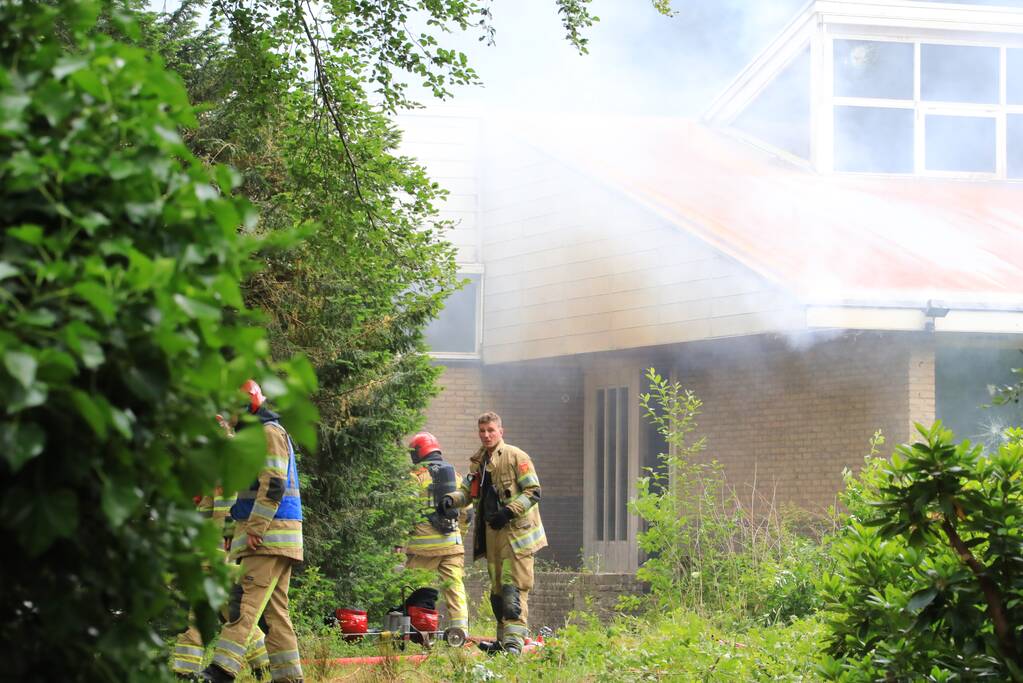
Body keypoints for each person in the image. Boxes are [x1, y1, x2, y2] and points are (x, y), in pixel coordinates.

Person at [200, 380, 304, 683]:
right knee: (275, 616)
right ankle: (288, 678)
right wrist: (233, 528)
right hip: (268, 537)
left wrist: (256, 528)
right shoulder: (253, 437)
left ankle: (220, 671)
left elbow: (273, 484)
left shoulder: (269, 433)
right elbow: (241, 494)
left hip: (270, 537)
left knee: (243, 605)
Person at [171, 418, 270, 680]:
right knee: (224, 611)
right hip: (210, 551)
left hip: (220, 552)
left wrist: (223, 549)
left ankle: (186, 671)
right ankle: (262, 665)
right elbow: (206, 507)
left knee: (227, 612)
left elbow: (227, 509)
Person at [443, 412, 546, 654]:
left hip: (516, 537)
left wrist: (509, 512)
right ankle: (502, 642)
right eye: (482, 431)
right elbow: (466, 492)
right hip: (493, 537)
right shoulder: (479, 462)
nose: (486, 435)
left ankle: (514, 644)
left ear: (501, 431)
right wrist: (449, 500)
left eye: (491, 430)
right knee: (498, 591)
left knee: (513, 589)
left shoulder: (516, 456)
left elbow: (533, 490)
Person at [404, 432, 470, 634]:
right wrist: (459, 539)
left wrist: (402, 540)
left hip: (424, 549)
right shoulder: (457, 477)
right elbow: (466, 514)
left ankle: (418, 630)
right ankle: (460, 631)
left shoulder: (415, 478)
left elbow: (405, 512)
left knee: (418, 588)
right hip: (453, 546)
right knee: (455, 588)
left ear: (418, 453)